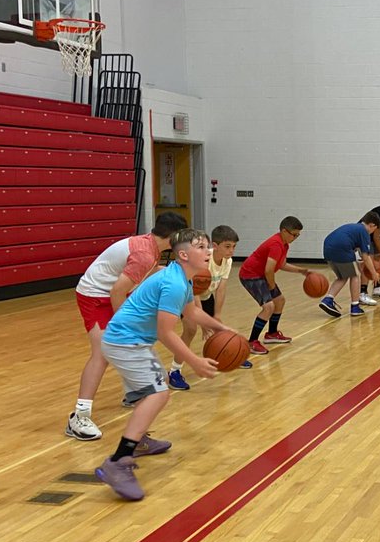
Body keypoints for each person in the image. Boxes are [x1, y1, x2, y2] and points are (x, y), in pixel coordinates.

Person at [95, 228, 227, 501]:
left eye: (208, 247)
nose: (209, 252)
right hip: (126, 342)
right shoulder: (174, 284)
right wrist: (195, 362)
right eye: (202, 247)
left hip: (131, 340)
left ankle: (139, 439)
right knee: (159, 394)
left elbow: (192, 313)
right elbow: (166, 332)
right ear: (183, 254)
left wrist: (225, 330)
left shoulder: (183, 279)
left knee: (151, 392)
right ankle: (118, 462)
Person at [67, 211, 188, 441]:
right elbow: (117, 291)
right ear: (173, 237)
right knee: (102, 353)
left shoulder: (150, 246)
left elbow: (146, 271)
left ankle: (134, 393)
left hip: (112, 291)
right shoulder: (144, 253)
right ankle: (79, 416)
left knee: (132, 344)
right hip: (95, 295)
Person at [169, 224, 250, 388]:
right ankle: (174, 371)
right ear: (215, 246)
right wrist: (203, 323)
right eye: (227, 247)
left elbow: (221, 288)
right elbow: (195, 290)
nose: (231, 251)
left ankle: (228, 356)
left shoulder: (228, 261)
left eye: (234, 247)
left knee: (219, 328)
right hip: (186, 295)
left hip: (206, 295)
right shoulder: (204, 259)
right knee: (191, 330)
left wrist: (217, 314)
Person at [237, 216, 311, 355]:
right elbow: (269, 270)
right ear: (284, 231)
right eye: (294, 234)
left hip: (261, 275)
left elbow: (281, 264)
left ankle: (271, 334)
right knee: (269, 306)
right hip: (250, 275)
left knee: (280, 300)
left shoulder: (284, 244)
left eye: (298, 235)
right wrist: (271, 287)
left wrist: (302, 271)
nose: (295, 238)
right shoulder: (276, 244)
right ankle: (252, 341)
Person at [319, 213, 380, 318]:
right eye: (374, 229)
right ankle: (355, 306)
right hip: (341, 248)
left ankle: (328, 299)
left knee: (343, 276)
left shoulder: (354, 227)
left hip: (327, 248)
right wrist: (374, 273)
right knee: (355, 275)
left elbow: (359, 253)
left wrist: (358, 263)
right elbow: (366, 257)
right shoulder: (364, 231)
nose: (373, 232)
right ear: (372, 225)